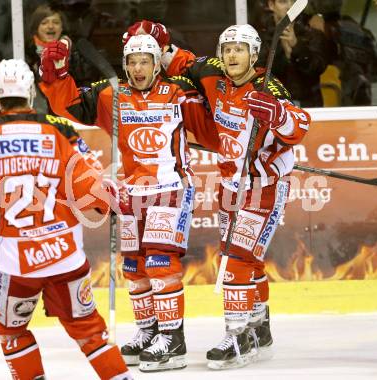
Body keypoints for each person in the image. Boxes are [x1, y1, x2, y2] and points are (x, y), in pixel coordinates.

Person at [125, 21, 311, 369]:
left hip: (263, 186)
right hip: (230, 187)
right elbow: (180, 61)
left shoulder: (270, 88)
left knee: (237, 260)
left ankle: (237, 333)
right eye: (227, 50)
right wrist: (153, 40)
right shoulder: (213, 74)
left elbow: (300, 126)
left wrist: (278, 115)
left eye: (239, 50)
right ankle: (260, 330)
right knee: (244, 259)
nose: (231, 55)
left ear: (254, 55)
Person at [0, 59, 133, 380]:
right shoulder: (60, 130)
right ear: (31, 91)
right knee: (89, 330)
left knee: (11, 331)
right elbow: (92, 188)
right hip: (63, 254)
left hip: (14, 259)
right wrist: (108, 199)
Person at [39, 34, 215, 372]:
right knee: (134, 268)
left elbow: (210, 126)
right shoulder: (112, 96)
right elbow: (69, 104)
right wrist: (56, 75)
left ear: (155, 63)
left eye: (144, 61)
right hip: (132, 192)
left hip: (170, 188)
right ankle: (149, 331)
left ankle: (173, 339)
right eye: (132, 62)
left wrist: (243, 145)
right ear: (125, 65)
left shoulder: (178, 92)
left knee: (160, 264)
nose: (137, 68)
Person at [254, 0, 328, 107]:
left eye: (294, 2)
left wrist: (296, 46)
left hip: (306, 105)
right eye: (283, 2)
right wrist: (278, 44)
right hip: (271, 104)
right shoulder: (259, 38)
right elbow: (257, 72)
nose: (289, 7)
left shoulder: (313, 35)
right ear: (271, 5)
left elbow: (317, 68)